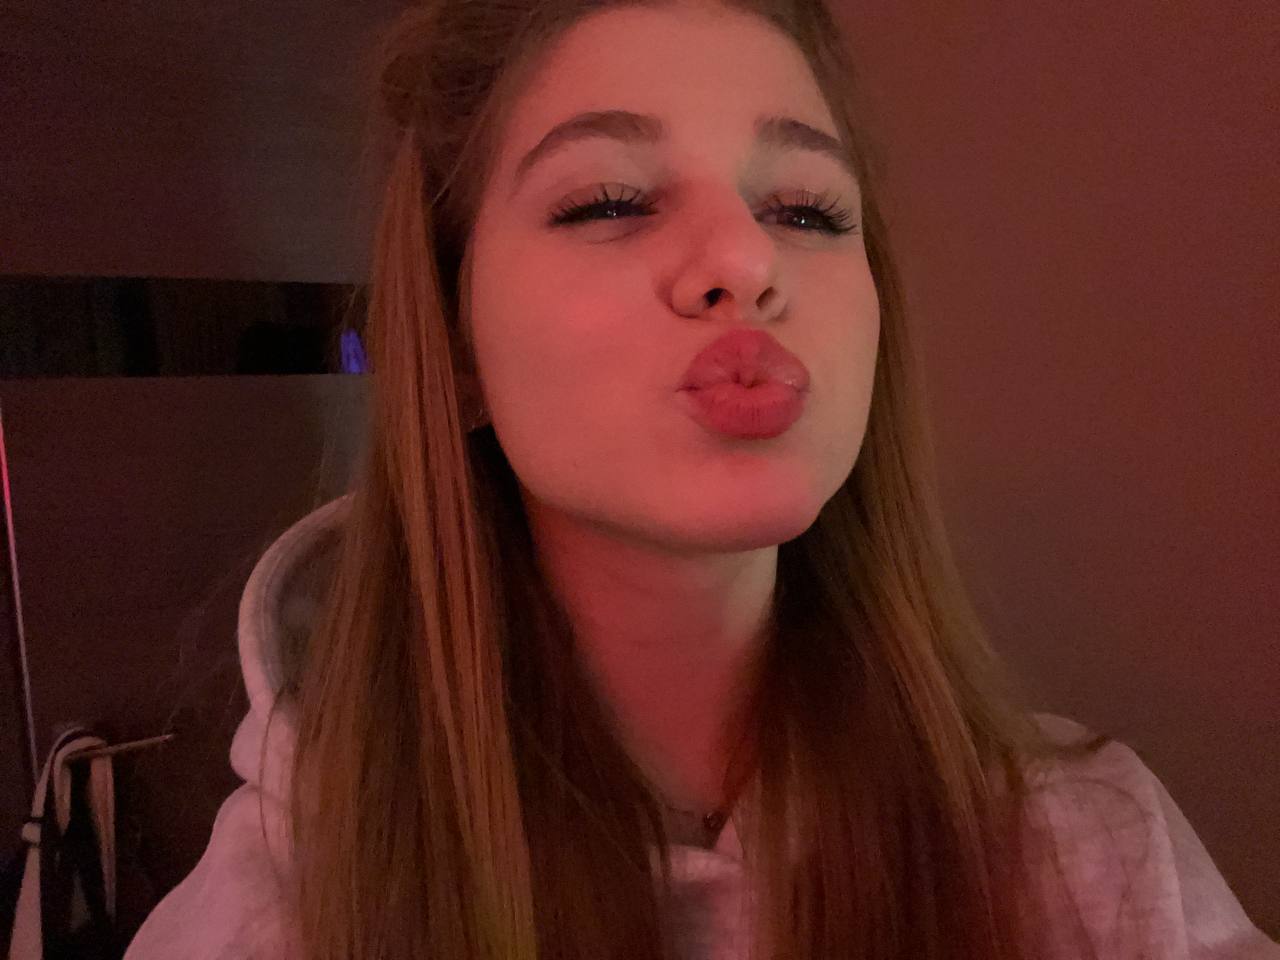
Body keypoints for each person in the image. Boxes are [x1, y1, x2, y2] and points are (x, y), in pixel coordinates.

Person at [122, 1, 1280, 958]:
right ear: (457, 349)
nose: (744, 258)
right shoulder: (291, 910)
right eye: (608, 201)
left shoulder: (1086, 857)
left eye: (806, 209)